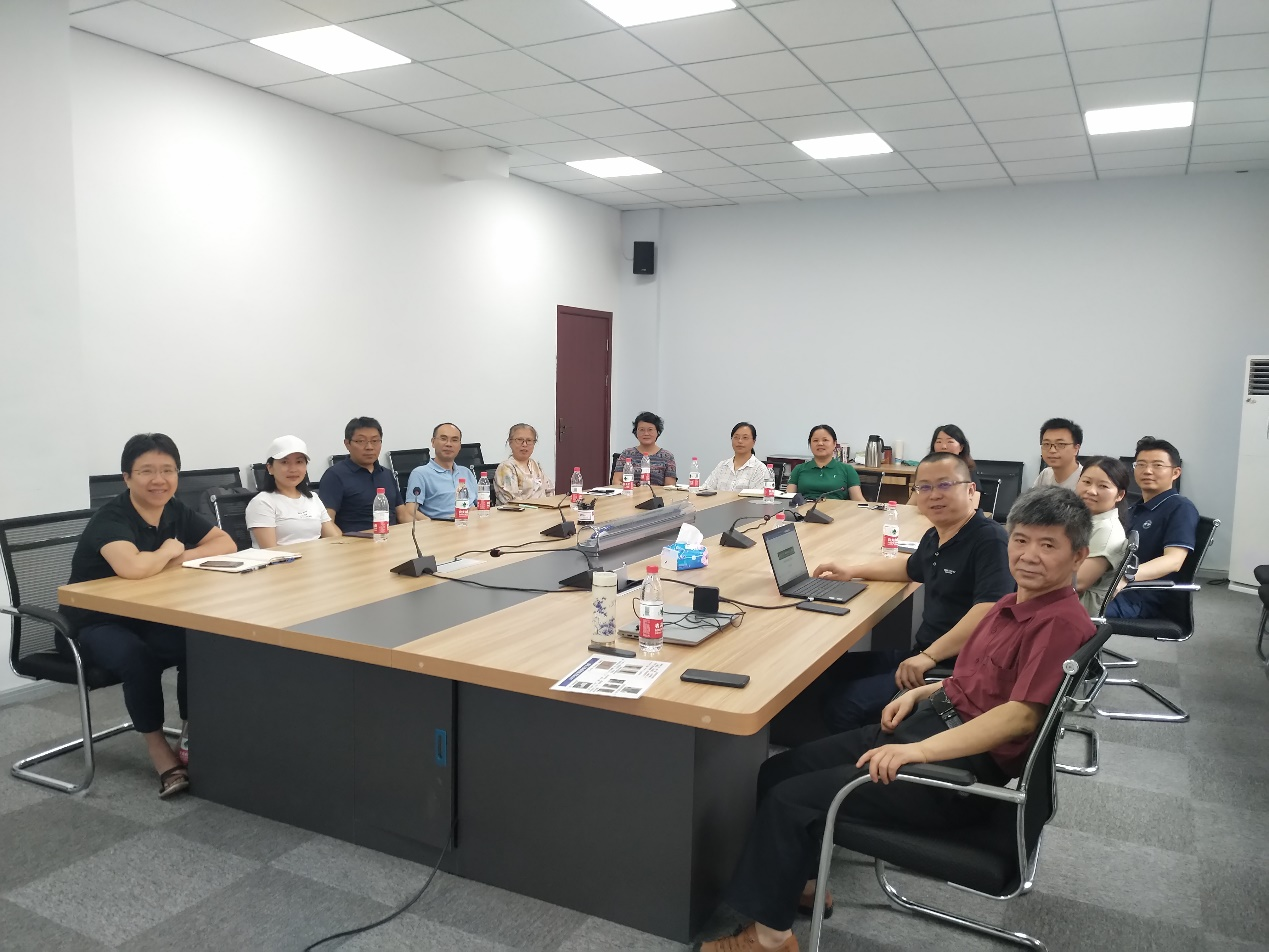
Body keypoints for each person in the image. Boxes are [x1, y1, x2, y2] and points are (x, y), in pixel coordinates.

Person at [698, 488, 1095, 952]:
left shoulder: (1058, 622)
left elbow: (1019, 717)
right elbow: (982, 680)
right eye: (1021, 540)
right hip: (930, 726)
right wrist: (926, 692)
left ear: (1078, 555)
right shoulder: (1014, 604)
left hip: (954, 774)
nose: (1028, 555)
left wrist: (915, 751)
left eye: (1048, 545)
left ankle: (769, 941)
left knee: (791, 800)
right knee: (778, 771)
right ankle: (800, 884)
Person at [64, 433, 236, 799]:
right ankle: (159, 749)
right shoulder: (112, 518)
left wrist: (174, 556)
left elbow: (225, 543)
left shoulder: (174, 509)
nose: (159, 480)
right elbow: (132, 568)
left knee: (198, 640)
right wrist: (167, 550)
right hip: (93, 622)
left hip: (145, 615)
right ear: (126, 477)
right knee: (136, 657)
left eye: (167, 470)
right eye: (146, 471)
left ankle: (190, 733)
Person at [815, 453, 1013, 733]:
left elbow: (988, 611)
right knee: (832, 668)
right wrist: (851, 571)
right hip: (922, 651)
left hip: (955, 667)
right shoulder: (936, 535)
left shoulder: (989, 539)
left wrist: (929, 657)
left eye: (945, 485)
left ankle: (870, 753)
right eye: (925, 487)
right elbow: (909, 568)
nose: (934, 495)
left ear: (971, 490)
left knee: (844, 705)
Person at [1105, 436, 1198, 620]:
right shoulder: (1133, 509)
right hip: (1115, 587)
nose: (1147, 471)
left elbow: (1173, 561)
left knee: (1063, 612)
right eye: (1141, 464)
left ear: (1176, 472)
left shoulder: (1180, 508)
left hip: (1141, 597)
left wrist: (1125, 577)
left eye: (1157, 465)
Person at [319, 417, 413, 533]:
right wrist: (342, 542)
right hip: (356, 541)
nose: (369, 447)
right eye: (361, 441)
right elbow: (327, 522)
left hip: (391, 538)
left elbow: (402, 514)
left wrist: (420, 531)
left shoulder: (386, 474)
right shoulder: (334, 475)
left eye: (375, 441)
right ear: (347, 444)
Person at [246, 435, 342, 547]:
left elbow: (333, 538)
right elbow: (271, 551)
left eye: (299, 462)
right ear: (270, 468)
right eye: (284, 462)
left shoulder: (312, 498)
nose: (293, 469)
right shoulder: (262, 502)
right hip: (284, 558)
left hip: (317, 556)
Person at [1074, 456, 1129, 615]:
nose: (1091, 491)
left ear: (1119, 495)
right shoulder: (1085, 520)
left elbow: (1078, 583)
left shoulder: (1107, 531)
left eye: (1103, 486)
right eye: (1086, 482)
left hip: (1077, 610)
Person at [407, 422, 479, 519]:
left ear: (459, 446)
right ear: (433, 442)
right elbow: (411, 511)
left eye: (454, 440)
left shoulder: (466, 472)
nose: (449, 444)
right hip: (443, 525)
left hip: (472, 522)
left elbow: (481, 503)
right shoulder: (420, 474)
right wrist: (432, 524)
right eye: (443, 439)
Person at [786, 425, 863, 502]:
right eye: (815, 440)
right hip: (805, 508)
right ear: (810, 444)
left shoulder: (847, 470)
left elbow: (858, 500)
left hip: (836, 509)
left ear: (834, 444)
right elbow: (787, 498)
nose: (820, 443)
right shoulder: (799, 469)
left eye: (825, 440)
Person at [916, 424, 980, 510]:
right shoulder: (926, 469)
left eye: (950, 442)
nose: (943, 446)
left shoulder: (967, 470)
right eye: (939, 442)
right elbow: (913, 502)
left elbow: (973, 505)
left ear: (961, 447)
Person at [611, 411, 677, 486]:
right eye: (641, 430)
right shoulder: (627, 454)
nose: (646, 433)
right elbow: (616, 481)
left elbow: (670, 486)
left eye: (650, 430)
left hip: (657, 493)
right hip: (630, 492)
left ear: (658, 432)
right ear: (636, 432)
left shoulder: (667, 456)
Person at [494, 423, 554, 504]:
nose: (524, 444)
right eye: (519, 440)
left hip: (543, 509)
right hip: (519, 511)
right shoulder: (506, 467)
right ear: (510, 442)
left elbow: (549, 491)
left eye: (529, 440)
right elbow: (512, 502)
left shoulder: (535, 464)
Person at [701, 422, 767, 493]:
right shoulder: (722, 466)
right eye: (736, 437)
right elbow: (705, 489)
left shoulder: (759, 469)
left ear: (754, 441)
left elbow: (758, 497)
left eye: (745, 438)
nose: (740, 441)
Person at [1032, 417, 1083, 490]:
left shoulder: (1086, 480)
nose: (1052, 450)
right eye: (1046, 444)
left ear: (1076, 449)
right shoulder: (1046, 474)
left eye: (1060, 444)